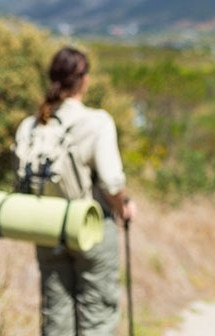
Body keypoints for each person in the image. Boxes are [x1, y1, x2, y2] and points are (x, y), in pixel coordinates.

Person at [14, 46, 136, 335]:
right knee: (97, 314)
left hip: (46, 227)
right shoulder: (96, 122)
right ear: (84, 80)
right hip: (89, 227)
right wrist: (124, 207)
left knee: (56, 312)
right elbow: (111, 182)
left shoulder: (30, 125)